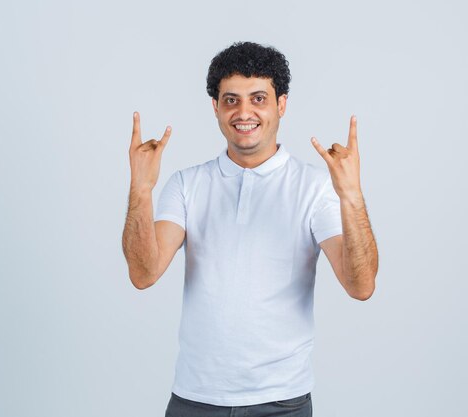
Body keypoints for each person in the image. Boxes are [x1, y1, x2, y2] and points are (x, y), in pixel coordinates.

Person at [122, 41, 378, 417]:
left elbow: (361, 286)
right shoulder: (186, 185)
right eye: (231, 100)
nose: (244, 112)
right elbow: (143, 274)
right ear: (215, 107)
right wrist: (141, 189)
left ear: (281, 105)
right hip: (194, 399)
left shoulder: (315, 187)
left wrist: (352, 197)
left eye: (259, 98)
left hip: (281, 402)